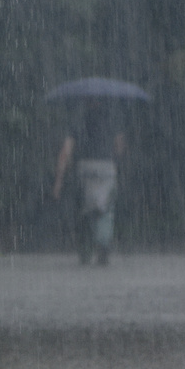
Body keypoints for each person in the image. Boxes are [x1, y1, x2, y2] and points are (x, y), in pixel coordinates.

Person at [53, 107, 125, 265]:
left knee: (84, 210)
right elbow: (119, 148)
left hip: (84, 168)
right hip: (107, 168)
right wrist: (114, 159)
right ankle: (103, 245)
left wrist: (58, 182)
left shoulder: (77, 122)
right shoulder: (113, 121)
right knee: (105, 209)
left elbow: (65, 152)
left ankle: (85, 251)